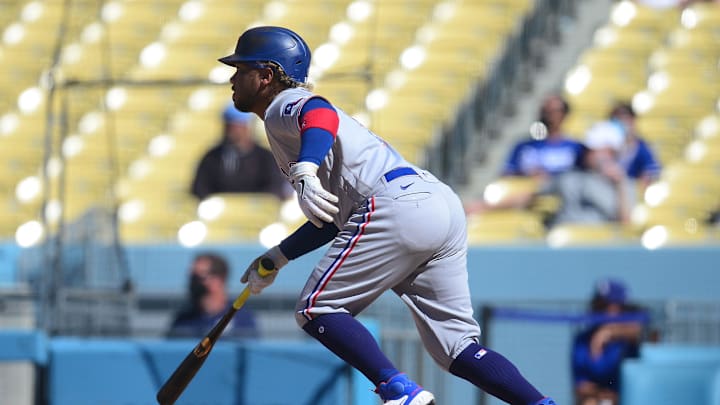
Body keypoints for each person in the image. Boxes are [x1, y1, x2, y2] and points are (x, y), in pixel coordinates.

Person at [219, 26, 555, 405]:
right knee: (456, 348)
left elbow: (319, 112)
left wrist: (306, 168)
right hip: (435, 203)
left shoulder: (282, 105)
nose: (232, 77)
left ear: (266, 75)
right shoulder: (284, 121)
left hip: (392, 204)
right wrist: (279, 256)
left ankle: (398, 389)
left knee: (317, 307)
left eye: (241, 68)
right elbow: (334, 217)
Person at [469, 120, 636, 227]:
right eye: (588, 149)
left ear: (612, 152)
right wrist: (483, 207)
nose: (587, 153)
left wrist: (619, 184)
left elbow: (625, 226)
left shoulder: (624, 185)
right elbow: (530, 197)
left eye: (595, 150)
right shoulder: (568, 176)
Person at [190, 102, 293, 201]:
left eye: (236, 126)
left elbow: (275, 188)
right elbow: (200, 189)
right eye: (228, 126)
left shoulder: (265, 157)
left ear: (246, 127)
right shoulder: (212, 157)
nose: (231, 131)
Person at [571, 278, 646, 405]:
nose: (600, 310)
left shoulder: (630, 336)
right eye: (598, 304)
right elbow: (581, 386)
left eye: (606, 306)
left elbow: (642, 332)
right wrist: (602, 395)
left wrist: (610, 333)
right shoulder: (583, 340)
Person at [168, 253, 258, 339]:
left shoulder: (241, 319)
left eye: (199, 277)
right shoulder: (184, 320)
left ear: (219, 279)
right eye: (192, 277)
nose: (194, 282)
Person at [501, 94, 585, 178]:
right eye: (546, 111)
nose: (550, 116)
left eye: (555, 111)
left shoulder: (576, 147)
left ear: (564, 114)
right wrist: (527, 174)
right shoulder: (524, 146)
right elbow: (507, 172)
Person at [608, 101, 661, 192]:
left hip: (630, 192)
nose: (622, 123)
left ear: (633, 121)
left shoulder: (643, 148)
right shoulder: (604, 146)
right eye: (617, 119)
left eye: (625, 118)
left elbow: (649, 175)